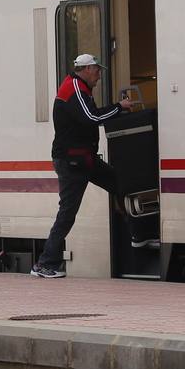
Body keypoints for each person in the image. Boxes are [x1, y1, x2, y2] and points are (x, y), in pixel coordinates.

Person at [31, 53, 134, 279]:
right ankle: (45, 264)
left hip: (83, 159)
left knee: (120, 181)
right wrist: (120, 107)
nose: (99, 75)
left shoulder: (80, 88)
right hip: (72, 161)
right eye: (97, 70)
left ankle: (137, 232)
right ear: (86, 69)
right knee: (67, 213)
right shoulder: (75, 88)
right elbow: (91, 117)